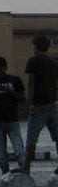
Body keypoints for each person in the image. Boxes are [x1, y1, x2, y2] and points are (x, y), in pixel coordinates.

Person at [23, 36, 58, 174]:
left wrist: (30, 102)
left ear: (36, 46)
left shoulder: (33, 61)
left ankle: (26, 167)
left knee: (31, 137)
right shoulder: (53, 62)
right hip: (52, 103)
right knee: (57, 136)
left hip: (39, 104)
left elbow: (31, 82)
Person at [0, 56, 25, 174]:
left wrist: (8, 91)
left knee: (19, 151)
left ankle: (24, 174)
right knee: (1, 154)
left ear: (5, 67)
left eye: (0, 69)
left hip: (12, 120)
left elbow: (22, 98)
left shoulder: (15, 80)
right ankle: (5, 177)